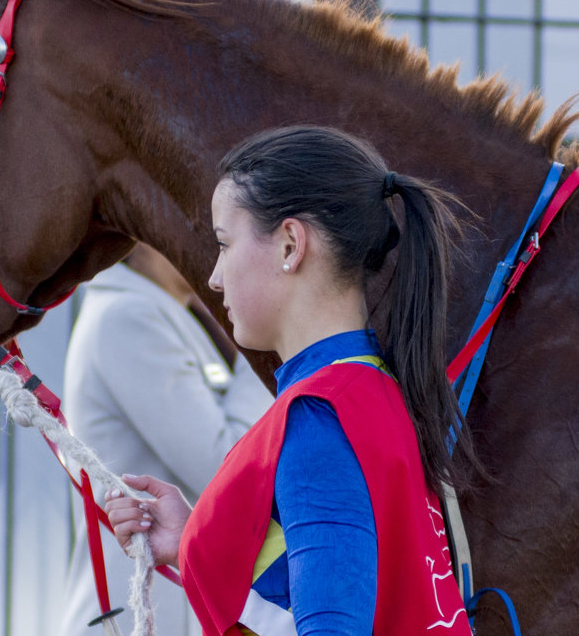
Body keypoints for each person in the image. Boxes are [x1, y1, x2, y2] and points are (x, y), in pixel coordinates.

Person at [105, 126, 483, 636]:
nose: (214, 278)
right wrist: (196, 538)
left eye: (224, 244)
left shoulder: (318, 415)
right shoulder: (373, 390)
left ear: (289, 244)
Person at [57, 243, 271, 636]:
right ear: (145, 238)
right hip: (145, 617)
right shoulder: (127, 317)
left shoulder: (171, 312)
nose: (217, 250)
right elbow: (223, 464)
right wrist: (263, 348)